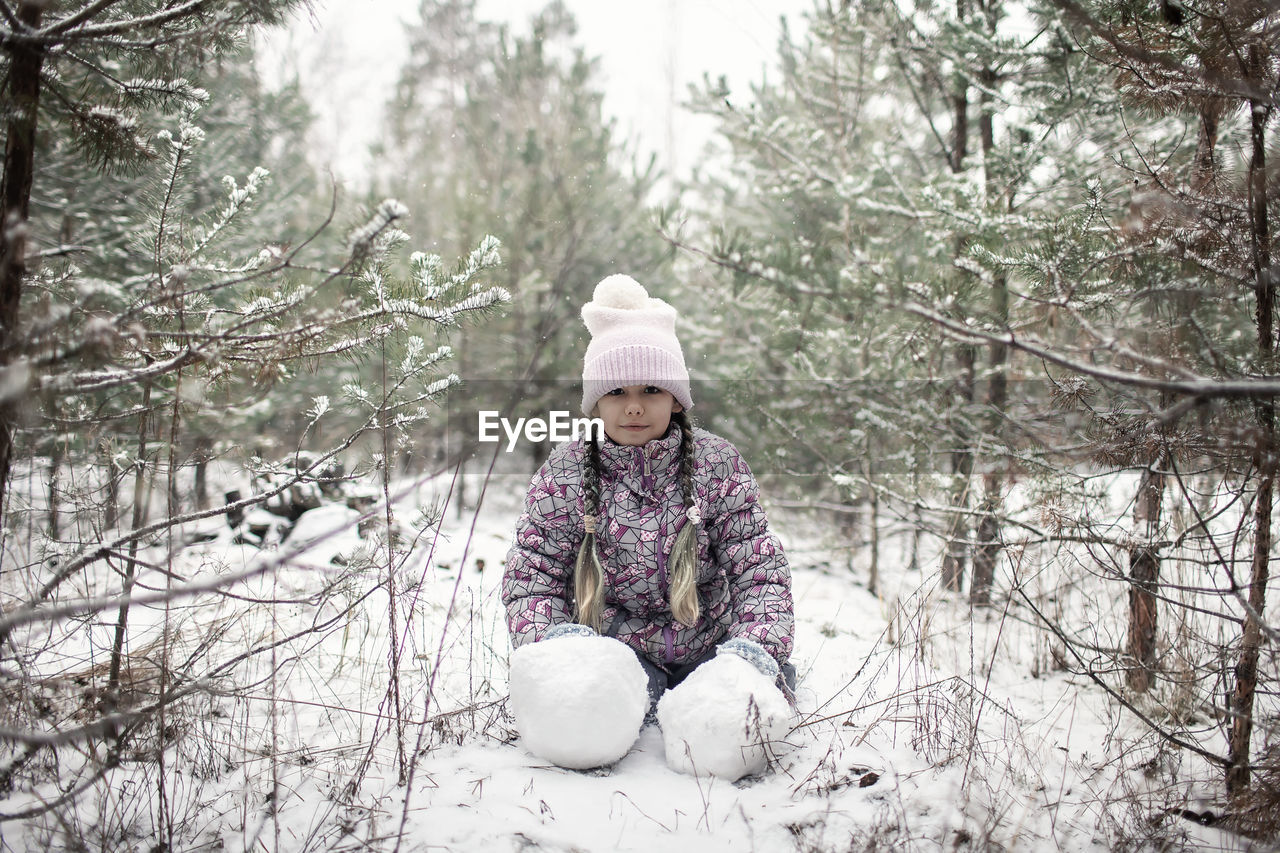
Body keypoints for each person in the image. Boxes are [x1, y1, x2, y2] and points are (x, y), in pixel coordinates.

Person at [501, 274, 795, 775]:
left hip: (715, 647)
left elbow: (758, 570)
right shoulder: (568, 472)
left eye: (651, 389)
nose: (633, 405)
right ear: (595, 402)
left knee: (734, 732)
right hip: (621, 654)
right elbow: (532, 575)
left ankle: (722, 710)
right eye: (616, 391)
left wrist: (750, 652)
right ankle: (608, 708)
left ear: (677, 399)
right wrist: (562, 646)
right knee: (584, 725)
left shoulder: (716, 465)